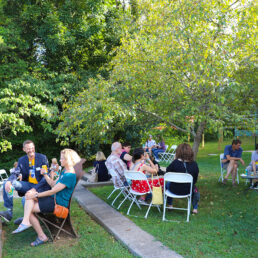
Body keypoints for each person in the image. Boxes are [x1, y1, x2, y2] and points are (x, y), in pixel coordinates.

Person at [12, 149, 81, 247]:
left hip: (58, 203)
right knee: (28, 197)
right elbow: (53, 184)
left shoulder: (69, 175)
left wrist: (36, 195)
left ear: (68, 160)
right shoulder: (65, 171)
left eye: (61, 158)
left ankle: (41, 235)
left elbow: (53, 191)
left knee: (29, 207)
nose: (60, 160)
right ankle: (26, 220)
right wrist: (45, 174)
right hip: (53, 198)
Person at [0, 140, 49, 223]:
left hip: (40, 186)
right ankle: (9, 211)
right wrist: (9, 181)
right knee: (6, 183)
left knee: (26, 198)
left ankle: (27, 218)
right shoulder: (22, 160)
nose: (31, 150)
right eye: (28, 148)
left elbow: (45, 178)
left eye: (32, 148)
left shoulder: (42, 158)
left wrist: (34, 189)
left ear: (34, 148)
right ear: (24, 149)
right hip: (28, 185)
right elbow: (15, 173)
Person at [166, 143, 200, 214]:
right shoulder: (194, 164)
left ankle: (170, 205)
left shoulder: (175, 163)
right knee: (195, 188)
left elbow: (167, 173)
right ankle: (195, 209)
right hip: (188, 191)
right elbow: (195, 179)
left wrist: (175, 160)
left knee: (167, 183)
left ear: (178, 152)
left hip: (174, 189)